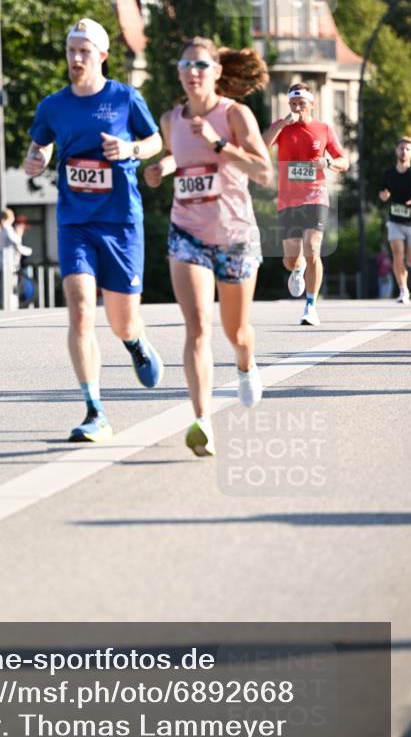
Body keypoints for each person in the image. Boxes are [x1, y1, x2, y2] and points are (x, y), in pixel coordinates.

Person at [24, 17, 164, 443]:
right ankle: (94, 409)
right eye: (71, 51)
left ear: (102, 56)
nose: (76, 58)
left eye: (84, 51)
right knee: (82, 308)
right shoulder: (53, 105)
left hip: (121, 220)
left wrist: (131, 149)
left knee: (122, 321)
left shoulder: (125, 98)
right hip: (75, 221)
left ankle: (136, 342)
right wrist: (36, 159)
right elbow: (40, 142)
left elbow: (155, 140)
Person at [144, 37, 272, 458]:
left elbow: (264, 173)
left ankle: (245, 363)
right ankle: (202, 421)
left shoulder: (235, 114)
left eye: (201, 64)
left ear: (216, 72)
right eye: (186, 65)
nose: (193, 71)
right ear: (179, 72)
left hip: (234, 235)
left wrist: (220, 144)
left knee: (236, 331)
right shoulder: (170, 118)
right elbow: (174, 155)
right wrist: (161, 167)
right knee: (198, 326)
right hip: (188, 233)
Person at [263, 82, 349, 325]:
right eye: (293, 103)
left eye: (301, 103)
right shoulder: (281, 127)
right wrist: (281, 123)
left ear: (312, 104)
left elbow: (344, 161)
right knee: (291, 259)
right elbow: (261, 145)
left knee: (313, 248)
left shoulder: (323, 129)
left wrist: (328, 163)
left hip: (316, 196)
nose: (297, 108)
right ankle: (297, 268)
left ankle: (310, 306)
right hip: (288, 200)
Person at [379, 136, 411, 304]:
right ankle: (403, 290)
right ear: (396, 151)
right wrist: (384, 195)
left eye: (407, 149)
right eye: (401, 148)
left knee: (410, 259)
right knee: (397, 254)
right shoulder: (389, 173)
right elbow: (382, 192)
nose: (404, 151)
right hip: (395, 221)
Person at [0, 207, 32, 308]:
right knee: (9, 285)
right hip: (7, 263)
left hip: (5, 262)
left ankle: (7, 304)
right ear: (10, 218)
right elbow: (17, 242)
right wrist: (20, 234)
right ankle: (9, 305)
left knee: (6, 285)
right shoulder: (7, 229)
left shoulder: (3, 230)